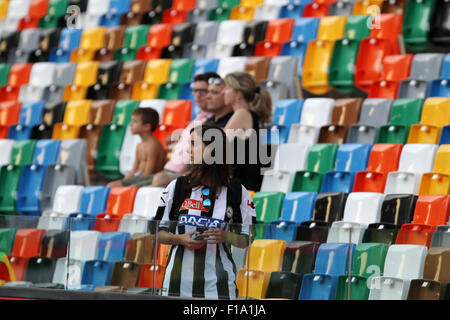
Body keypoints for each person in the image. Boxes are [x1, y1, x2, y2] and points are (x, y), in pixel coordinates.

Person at [155, 124, 256, 299]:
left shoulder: (238, 192)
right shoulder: (178, 186)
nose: (188, 150)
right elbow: (155, 232)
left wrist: (227, 237)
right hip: (177, 283)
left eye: (194, 144)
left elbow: (248, 238)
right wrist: (180, 239)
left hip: (220, 284)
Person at [222, 72, 272, 192]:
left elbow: (216, 144)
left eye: (227, 88)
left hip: (242, 185)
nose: (223, 91)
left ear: (238, 95)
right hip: (245, 183)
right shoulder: (248, 114)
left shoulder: (242, 114)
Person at [107, 108, 166, 188]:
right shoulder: (139, 145)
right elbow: (134, 170)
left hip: (148, 181)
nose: (131, 124)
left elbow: (148, 174)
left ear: (146, 127)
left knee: (114, 187)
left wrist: (127, 186)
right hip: (137, 179)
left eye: (134, 122)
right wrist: (123, 181)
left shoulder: (153, 146)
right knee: (111, 185)